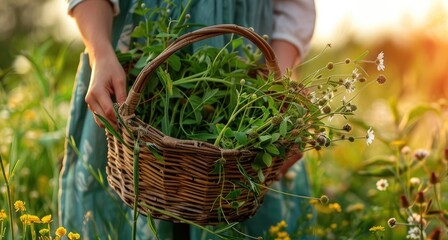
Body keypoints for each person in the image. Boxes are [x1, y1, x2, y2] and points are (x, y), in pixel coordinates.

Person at [60, 0, 316, 238]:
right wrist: (100, 53)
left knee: (236, 186)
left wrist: (278, 91)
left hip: (244, 72)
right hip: (128, 69)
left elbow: (292, 6)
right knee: (128, 184)